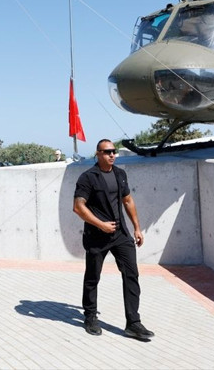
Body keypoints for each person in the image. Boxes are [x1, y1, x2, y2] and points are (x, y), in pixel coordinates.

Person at [73, 139, 154, 342]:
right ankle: (90, 317)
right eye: (107, 151)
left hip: (120, 234)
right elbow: (78, 207)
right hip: (96, 236)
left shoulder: (120, 174)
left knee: (131, 275)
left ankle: (133, 323)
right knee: (93, 277)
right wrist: (100, 224)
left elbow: (127, 200)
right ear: (98, 153)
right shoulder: (87, 177)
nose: (112, 155)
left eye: (114, 151)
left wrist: (136, 227)